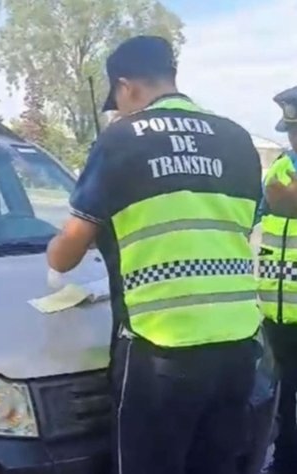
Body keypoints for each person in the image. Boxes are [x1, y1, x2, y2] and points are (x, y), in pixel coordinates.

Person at [47, 35, 262, 474]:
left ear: (126, 87)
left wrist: (56, 252)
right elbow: (229, 227)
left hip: (162, 350)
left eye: (119, 99)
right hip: (239, 346)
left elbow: (67, 252)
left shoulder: (121, 140)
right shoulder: (237, 139)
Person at [258, 86, 297, 474]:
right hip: (276, 318)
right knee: (280, 405)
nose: (293, 140)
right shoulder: (277, 173)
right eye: (290, 131)